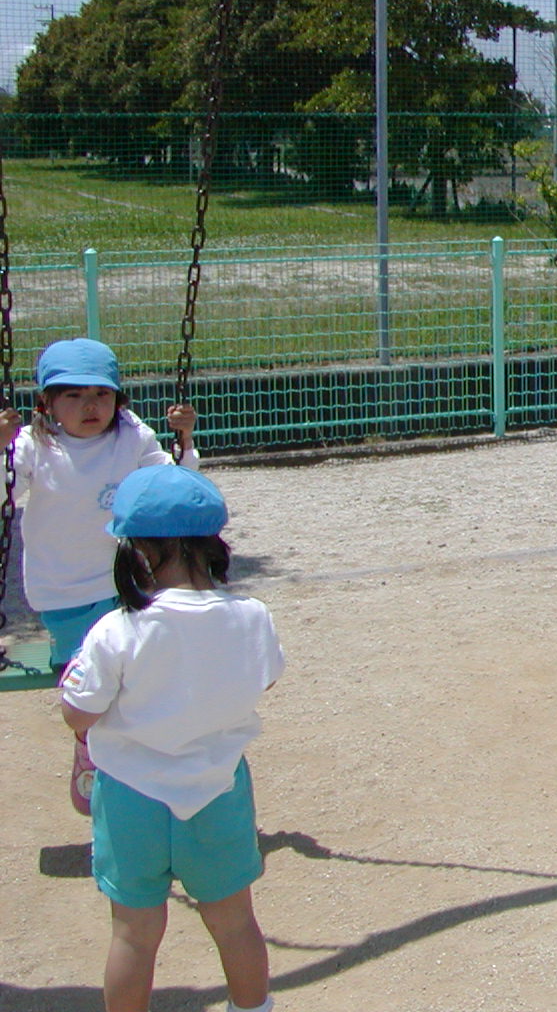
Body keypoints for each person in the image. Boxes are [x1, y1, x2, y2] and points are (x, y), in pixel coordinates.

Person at [60, 465, 283, 1012]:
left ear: (138, 552)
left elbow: (77, 713)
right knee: (235, 923)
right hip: (217, 789)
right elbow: (265, 677)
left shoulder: (119, 628)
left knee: (133, 934)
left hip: (131, 796)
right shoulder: (251, 616)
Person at [0, 337, 200, 815]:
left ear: (117, 399)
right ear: (47, 403)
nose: (90, 406)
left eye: (101, 394)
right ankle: (89, 746)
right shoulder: (34, 445)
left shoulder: (131, 435)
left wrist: (186, 439)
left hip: (128, 582)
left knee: (140, 672)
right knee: (87, 679)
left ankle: (140, 753)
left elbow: (174, 486)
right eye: (73, 395)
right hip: (64, 589)